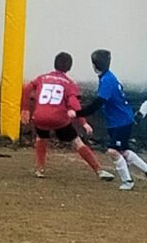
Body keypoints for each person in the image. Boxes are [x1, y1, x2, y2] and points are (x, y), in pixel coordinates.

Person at [21, 52, 114, 181]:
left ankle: (39, 169)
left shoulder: (42, 78)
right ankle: (99, 170)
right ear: (69, 67)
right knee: (77, 142)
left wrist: (25, 109)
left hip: (40, 116)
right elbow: (74, 104)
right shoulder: (70, 84)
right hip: (59, 119)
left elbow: (26, 88)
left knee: (41, 138)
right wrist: (84, 123)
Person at [76, 49, 147, 191]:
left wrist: (79, 113)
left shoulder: (107, 80)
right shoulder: (107, 77)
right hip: (117, 120)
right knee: (123, 150)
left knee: (113, 151)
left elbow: (98, 103)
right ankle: (146, 168)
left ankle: (127, 181)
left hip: (121, 121)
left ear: (94, 66)